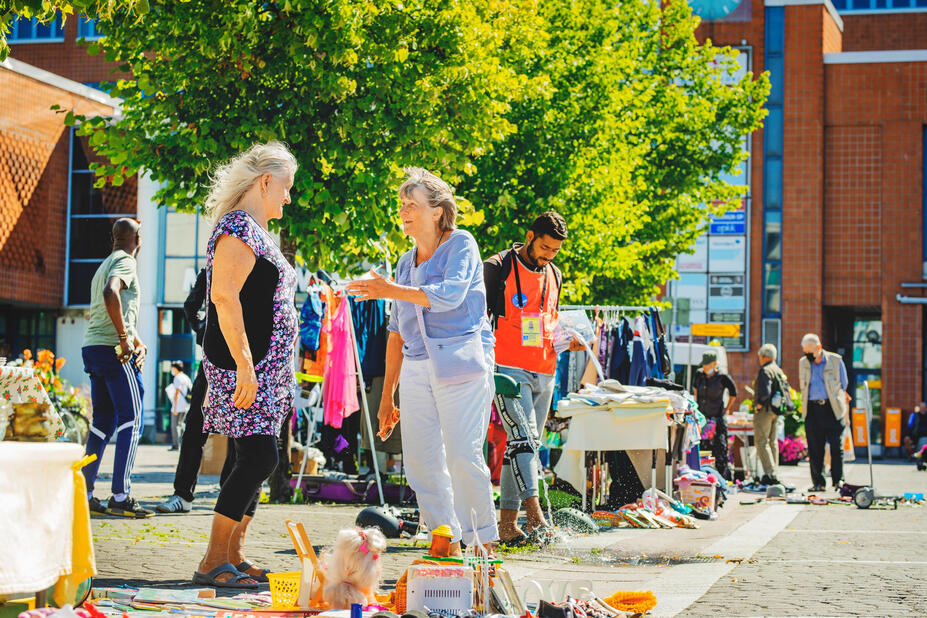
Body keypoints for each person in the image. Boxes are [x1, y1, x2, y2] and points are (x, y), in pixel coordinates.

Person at [346, 167, 498, 555]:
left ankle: (483, 541)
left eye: (412, 205)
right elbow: (396, 331)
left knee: (463, 455)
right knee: (418, 461)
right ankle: (446, 537)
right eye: (401, 205)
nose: (404, 211)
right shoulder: (403, 262)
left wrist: (388, 289)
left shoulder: (462, 243)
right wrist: (386, 398)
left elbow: (448, 295)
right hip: (416, 367)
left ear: (437, 210)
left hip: (460, 363)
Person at [192, 141, 298, 588]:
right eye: (286, 187)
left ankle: (233, 555)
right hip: (245, 366)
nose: (289, 198)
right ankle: (213, 559)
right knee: (259, 457)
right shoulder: (237, 229)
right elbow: (223, 297)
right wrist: (245, 364)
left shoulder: (256, 230)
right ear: (266, 181)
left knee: (252, 456)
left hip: (265, 368)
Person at [483, 211, 584, 546]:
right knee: (522, 439)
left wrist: (567, 337)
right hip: (508, 367)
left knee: (524, 446)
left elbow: (550, 319)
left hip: (545, 369)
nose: (548, 255)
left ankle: (508, 525)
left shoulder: (555, 273)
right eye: (544, 247)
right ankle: (536, 513)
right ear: (529, 236)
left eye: (555, 250)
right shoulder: (497, 268)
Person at [81, 217, 153, 518]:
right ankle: (120, 496)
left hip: (93, 348)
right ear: (136, 239)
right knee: (132, 419)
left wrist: (137, 339)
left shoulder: (105, 262)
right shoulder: (126, 261)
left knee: (103, 421)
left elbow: (115, 306)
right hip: (113, 351)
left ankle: (83, 493)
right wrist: (124, 341)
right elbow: (113, 293)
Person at [157, 268, 211, 514]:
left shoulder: (253, 262)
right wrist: (203, 330)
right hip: (212, 360)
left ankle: (229, 500)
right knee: (194, 427)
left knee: (238, 432)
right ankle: (183, 494)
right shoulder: (211, 268)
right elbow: (191, 305)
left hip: (242, 362)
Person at [798, 333, 850, 492]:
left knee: (836, 447)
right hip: (812, 409)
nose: (807, 355)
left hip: (832, 408)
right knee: (815, 448)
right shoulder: (803, 362)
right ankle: (818, 483)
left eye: (810, 352)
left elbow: (844, 383)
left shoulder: (835, 360)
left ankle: (838, 480)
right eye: (805, 351)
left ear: (819, 348)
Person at [693, 351, 738, 481]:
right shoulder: (699, 375)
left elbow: (733, 393)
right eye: (704, 365)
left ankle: (722, 478)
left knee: (720, 448)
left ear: (714, 364)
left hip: (717, 417)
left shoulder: (722, 377)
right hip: (703, 418)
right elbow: (695, 389)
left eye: (708, 365)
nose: (705, 368)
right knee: (703, 447)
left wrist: (727, 409)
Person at [752, 343, 786, 485]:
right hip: (775, 411)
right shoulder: (778, 370)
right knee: (772, 442)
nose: (759, 359)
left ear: (764, 356)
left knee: (761, 441)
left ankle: (770, 474)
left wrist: (758, 405)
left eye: (760, 356)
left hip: (765, 411)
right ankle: (774, 472)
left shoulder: (765, 370)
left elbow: (765, 392)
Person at [168, 361, 193, 450]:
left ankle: (176, 445)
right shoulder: (186, 377)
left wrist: (174, 407)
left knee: (175, 426)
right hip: (186, 405)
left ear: (175, 368)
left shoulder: (177, 378)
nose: (172, 370)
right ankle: (184, 444)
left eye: (173, 368)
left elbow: (177, 393)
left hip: (178, 405)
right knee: (182, 424)